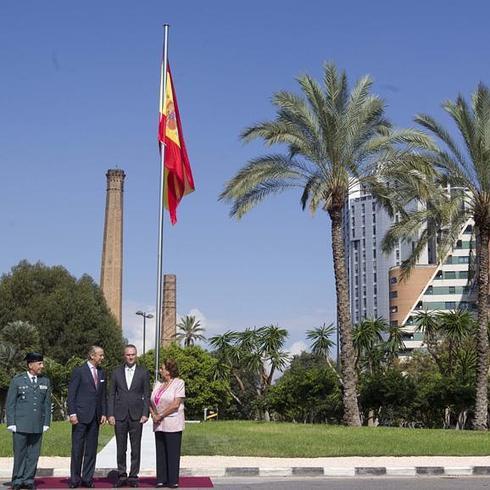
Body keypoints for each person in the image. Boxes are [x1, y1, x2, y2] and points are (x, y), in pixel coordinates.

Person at [6, 352, 51, 490]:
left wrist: (46, 423)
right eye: (39, 364)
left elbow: (46, 404)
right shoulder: (18, 380)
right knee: (20, 453)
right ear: (31, 365)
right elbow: (10, 403)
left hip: (37, 424)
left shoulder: (45, 381)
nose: (42, 366)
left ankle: (29, 480)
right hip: (20, 424)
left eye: (42, 363)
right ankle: (18, 480)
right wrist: (11, 423)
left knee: (33, 454)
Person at [108, 344, 150, 488]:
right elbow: (112, 394)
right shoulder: (116, 372)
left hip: (137, 416)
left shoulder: (144, 372)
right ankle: (121, 475)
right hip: (119, 415)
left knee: (135, 447)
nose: (130, 357)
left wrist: (146, 413)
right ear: (124, 356)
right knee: (121, 448)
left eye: (133, 354)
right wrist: (110, 414)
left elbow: (146, 394)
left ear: (136, 355)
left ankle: (133, 476)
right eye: (128, 354)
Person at [67, 346, 107, 488]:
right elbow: (71, 394)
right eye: (100, 355)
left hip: (95, 418)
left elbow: (102, 395)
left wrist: (103, 413)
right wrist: (72, 413)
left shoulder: (102, 372)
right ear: (92, 355)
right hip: (80, 417)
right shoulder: (79, 371)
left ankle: (87, 479)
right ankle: (75, 479)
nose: (102, 358)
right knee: (77, 449)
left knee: (91, 450)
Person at [150, 359, 185, 489]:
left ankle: (172, 481)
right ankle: (161, 479)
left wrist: (161, 415)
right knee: (161, 452)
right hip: (158, 423)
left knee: (172, 451)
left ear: (169, 371)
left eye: (162, 368)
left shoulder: (179, 383)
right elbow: (150, 401)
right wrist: (153, 415)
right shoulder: (157, 384)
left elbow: (175, 404)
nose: (160, 370)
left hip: (172, 421)